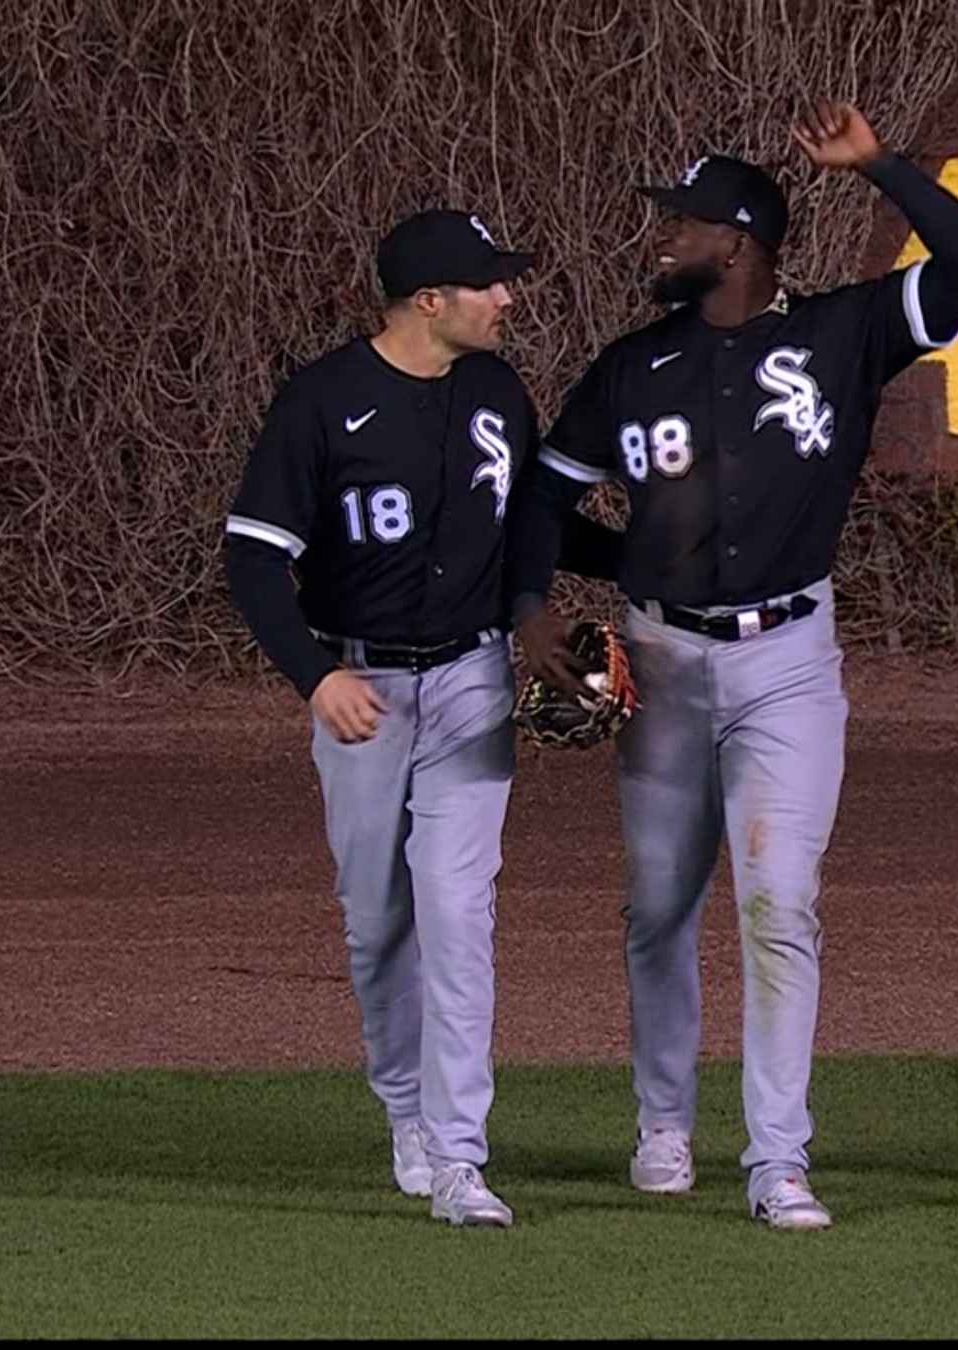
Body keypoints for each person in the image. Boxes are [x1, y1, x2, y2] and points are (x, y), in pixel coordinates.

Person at [504, 101, 958, 1230]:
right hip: (662, 661)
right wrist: (533, 612)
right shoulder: (632, 368)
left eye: (679, 226)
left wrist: (879, 164)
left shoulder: (845, 334)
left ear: (735, 242)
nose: (660, 241)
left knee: (780, 905)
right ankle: (664, 1125)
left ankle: (779, 1157)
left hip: (788, 664)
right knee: (658, 907)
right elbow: (542, 495)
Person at [220, 207, 617, 1228]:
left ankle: (457, 1158)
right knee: (377, 921)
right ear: (428, 301)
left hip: (472, 682)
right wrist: (313, 675)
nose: (508, 296)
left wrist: (645, 569)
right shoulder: (322, 402)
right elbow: (255, 556)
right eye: (489, 284)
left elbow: (535, 526)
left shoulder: (494, 392)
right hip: (362, 690)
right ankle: (404, 1108)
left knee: (457, 913)